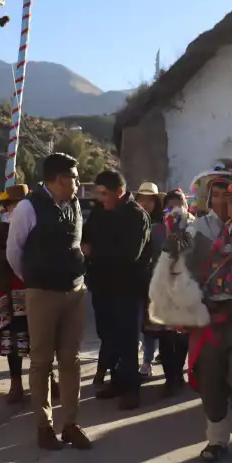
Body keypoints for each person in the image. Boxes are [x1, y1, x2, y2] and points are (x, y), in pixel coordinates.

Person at [159, 168, 232, 462]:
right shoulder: (195, 229)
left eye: (230, 193)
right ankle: (217, 440)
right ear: (208, 199)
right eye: (218, 194)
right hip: (208, 318)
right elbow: (174, 256)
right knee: (210, 383)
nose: (224, 199)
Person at [6, 153, 91, 450]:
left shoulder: (76, 205)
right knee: (42, 361)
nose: (78, 183)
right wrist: (35, 281)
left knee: (71, 360)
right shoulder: (28, 208)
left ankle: (70, 423)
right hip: (42, 293)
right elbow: (14, 252)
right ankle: (44, 427)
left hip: (75, 292)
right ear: (57, 179)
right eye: (74, 177)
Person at [0, 184, 58, 404]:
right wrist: (11, 255)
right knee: (12, 338)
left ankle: (49, 380)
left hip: (36, 288)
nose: (18, 208)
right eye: (14, 205)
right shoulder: (0, 229)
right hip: (8, 290)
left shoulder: (39, 225)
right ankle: (16, 383)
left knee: (42, 337)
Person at [82, 170, 151, 410]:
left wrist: (95, 252)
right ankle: (117, 381)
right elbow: (86, 236)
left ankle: (132, 389)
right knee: (108, 336)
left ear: (119, 192)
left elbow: (130, 254)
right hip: (101, 286)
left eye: (104, 193)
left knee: (127, 339)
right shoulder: (100, 212)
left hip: (126, 288)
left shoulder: (137, 216)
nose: (100, 198)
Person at [156, 188, 194, 397]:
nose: (176, 210)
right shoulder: (156, 230)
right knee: (164, 336)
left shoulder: (196, 227)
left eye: (180, 204)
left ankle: (178, 373)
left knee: (182, 336)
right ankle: (170, 377)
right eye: (171, 206)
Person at [135, 182, 165, 380]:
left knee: (151, 324)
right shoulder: (131, 222)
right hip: (135, 280)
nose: (145, 203)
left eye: (149, 200)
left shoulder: (162, 226)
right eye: (141, 199)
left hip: (156, 281)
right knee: (136, 322)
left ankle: (147, 361)